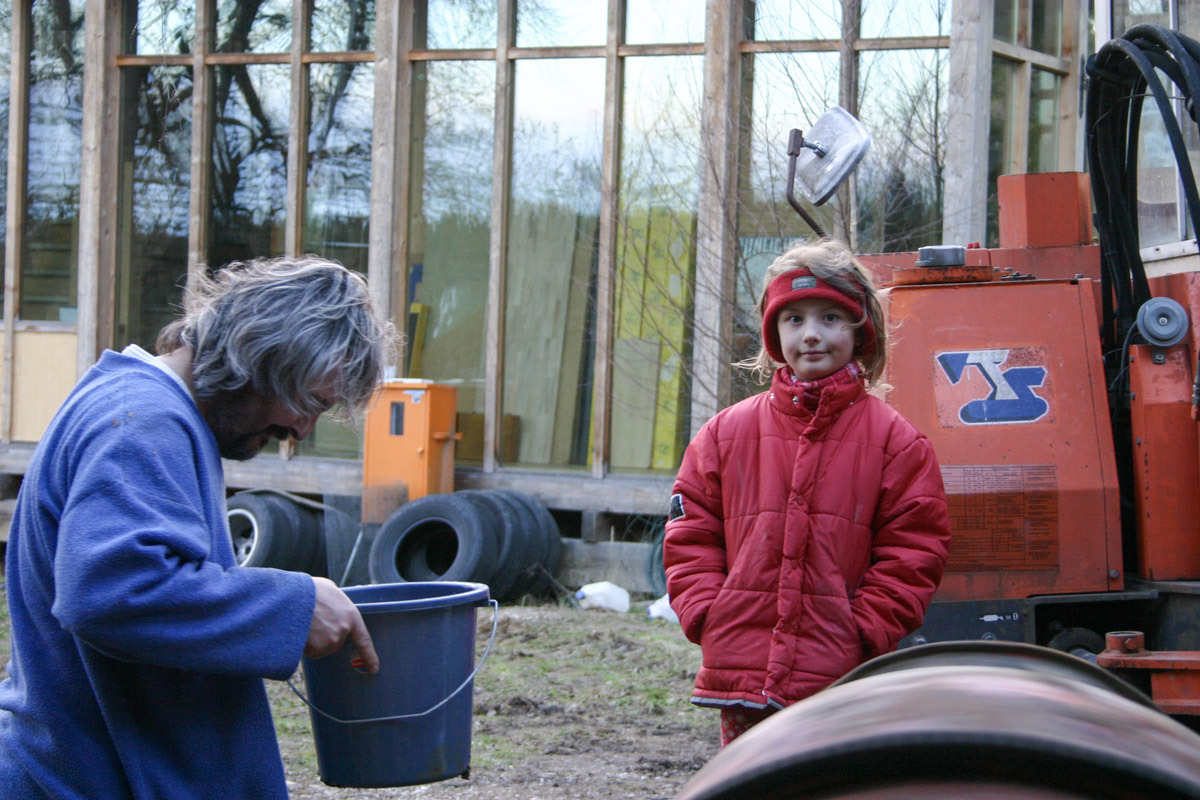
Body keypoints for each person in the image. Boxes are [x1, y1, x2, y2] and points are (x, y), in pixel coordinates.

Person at [0, 255, 394, 798]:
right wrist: (295, 606)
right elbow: (111, 592)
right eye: (307, 402)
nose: (299, 430)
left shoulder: (150, 411)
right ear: (261, 355)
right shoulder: (141, 422)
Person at [662, 238, 951, 747]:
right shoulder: (724, 436)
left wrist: (862, 631)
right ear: (774, 334)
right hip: (743, 672)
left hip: (840, 676)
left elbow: (914, 551)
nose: (812, 335)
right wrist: (709, 613)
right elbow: (691, 533)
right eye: (794, 319)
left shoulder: (897, 443)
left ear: (860, 330)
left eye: (830, 318)